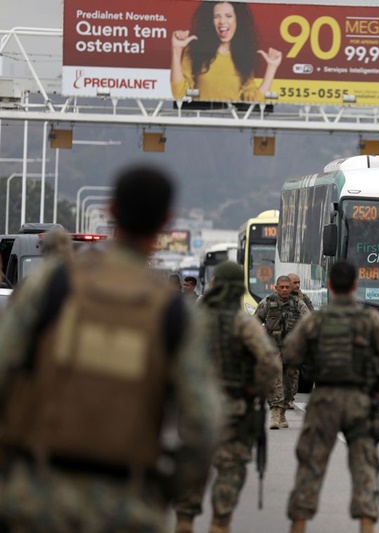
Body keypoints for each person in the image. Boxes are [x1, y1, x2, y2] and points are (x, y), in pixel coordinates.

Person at [0, 164, 223, 532]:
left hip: (37, 497)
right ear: (165, 222)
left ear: (111, 211)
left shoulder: (50, 285)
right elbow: (204, 423)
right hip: (126, 507)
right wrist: (161, 490)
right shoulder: (175, 313)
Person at [283, 261, 379, 533]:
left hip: (324, 398)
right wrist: (377, 387)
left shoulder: (316, 320)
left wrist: (313, 363)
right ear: (355, 286)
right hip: (360, 399)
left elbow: (291, 353)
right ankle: (366, 524)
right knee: (364, 467)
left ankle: (299, 523)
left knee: (311, 464)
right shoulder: (369, 319)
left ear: (330, 286)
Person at [173, 261, 281, 533]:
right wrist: (256, 391)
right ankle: (220, 523)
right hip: (233, 408)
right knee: (230, 469)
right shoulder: (243, 323)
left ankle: (184, 519)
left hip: (194, 408)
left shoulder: (191, 318)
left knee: (191, 464)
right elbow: (269, 362)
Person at [171, 1, 283, 102]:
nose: (222, 21)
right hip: (202, 117)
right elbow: (178, 93)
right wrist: (176, 50)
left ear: (237, 19)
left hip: (233, 118)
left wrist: (272, 67)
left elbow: (254, 101)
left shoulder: (243, 56)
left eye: (228, 16)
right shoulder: (196, 50)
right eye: (216, 16)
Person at [255, 275, 309, 429]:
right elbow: (255, 322)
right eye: (282, 287)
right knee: (275, 380)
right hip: (273, 348)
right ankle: (275, 413)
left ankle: (283, 411)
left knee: (290, 382)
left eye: (287, 287)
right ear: (276, 288)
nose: (285, 290)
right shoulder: (267, 303)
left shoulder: (298, 304)